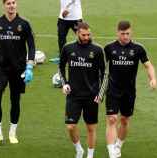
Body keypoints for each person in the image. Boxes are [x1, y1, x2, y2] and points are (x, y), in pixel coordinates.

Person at [0, 0, 35, 147]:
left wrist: (29, 67)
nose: (11, 5)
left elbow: (31, 47)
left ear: (16, 4)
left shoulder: (24, 24)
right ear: (4, 5)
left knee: (15, 100)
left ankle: (12, 132)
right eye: (8, 3)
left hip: (18, 69)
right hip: (0, 68)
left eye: (13, 2)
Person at [104, 21, 157, 158]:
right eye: (122, 34)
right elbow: (99, 66)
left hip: (129, 92)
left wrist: (153, 79)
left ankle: (118, 145)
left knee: (125, 120)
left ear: (131, 32)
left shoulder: (138, 48)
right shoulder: (109, 48)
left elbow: (148, 66)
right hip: (113, 89)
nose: (125, 36)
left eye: (127, 33)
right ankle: (112, 152)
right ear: (117, 33)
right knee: (111, 119)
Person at [59, 22, 106, 158]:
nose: (86, 37)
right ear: (77, 33)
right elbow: (61, 67)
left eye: (88, 35)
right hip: (73, 95)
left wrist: (100, 94)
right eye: (83, 35)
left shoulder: (97, 50)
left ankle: (90, 155)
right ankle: (79, 149)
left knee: (91, 128)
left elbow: (104, 73)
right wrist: (64, 84)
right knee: (71, 126)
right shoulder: (68, 48)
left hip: (92, 96)